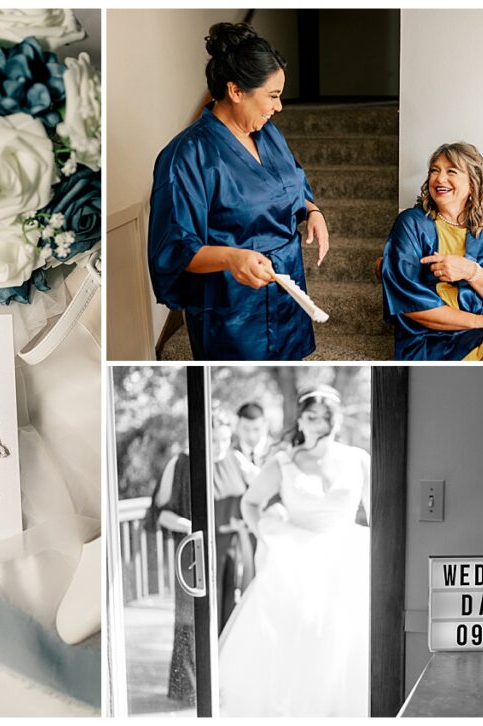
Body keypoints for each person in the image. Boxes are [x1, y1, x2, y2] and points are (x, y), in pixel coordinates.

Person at [148, 22, 329, 361]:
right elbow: (174, 248)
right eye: (273, 97)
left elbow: (292, 182)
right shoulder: (187, 156)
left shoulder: (269, 135)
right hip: (232, 308)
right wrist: (233, 257)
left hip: (287, 291)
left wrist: (312, 210)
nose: (278, 107)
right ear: (235, 90)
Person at [219, 386, 370, 716]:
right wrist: (270, 536)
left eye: (326, 416)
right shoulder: (283, 463)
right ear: (300, 420)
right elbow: (251, 503)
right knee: (303, 648)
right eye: (311, 416)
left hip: (348, 562)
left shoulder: (358, 459)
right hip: (298, 568)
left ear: (339, 417)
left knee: (346, 649)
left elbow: (378, 515)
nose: (319, 423)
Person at [381, 142, 483, 360]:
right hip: (427, 336)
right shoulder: (410, 224)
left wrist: (471, 272)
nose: (440, 178)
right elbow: (407, 303)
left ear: (472, 184)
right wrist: (479, 322)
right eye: (435, 170)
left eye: (451, 171)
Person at [153, 411, 254, 704]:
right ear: (198, 436)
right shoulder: (181, 464)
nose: (221, 445)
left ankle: (226, 682)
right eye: (214, 439)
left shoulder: (235, 460)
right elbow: (160, 513)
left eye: (225, 438)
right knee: (193, 619)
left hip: (233, 549)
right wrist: (191, 527)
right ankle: (192, 691)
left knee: (230, 614)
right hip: (195, 549)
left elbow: (260, 493)